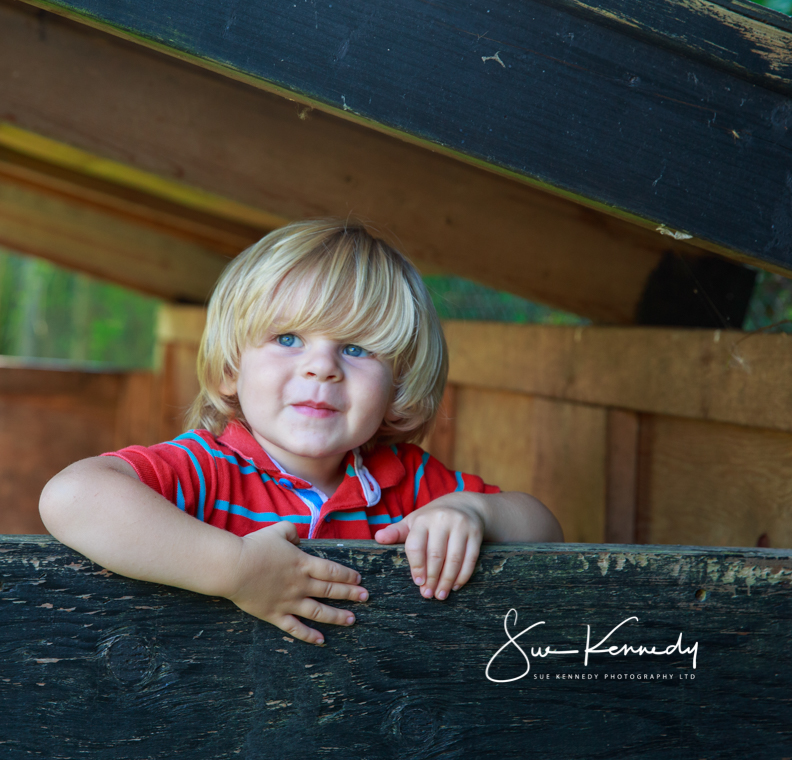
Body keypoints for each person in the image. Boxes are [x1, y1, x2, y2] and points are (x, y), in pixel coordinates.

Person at [40, 219, 563, 645]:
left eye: (356, 349)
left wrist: (473, 512)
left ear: (397, 388)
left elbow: (546, 531)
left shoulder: (410, 487)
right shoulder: (204, 471)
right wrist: (235, 568)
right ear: (230, 368)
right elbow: (71, 496)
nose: (322, 367)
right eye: (288, 338)